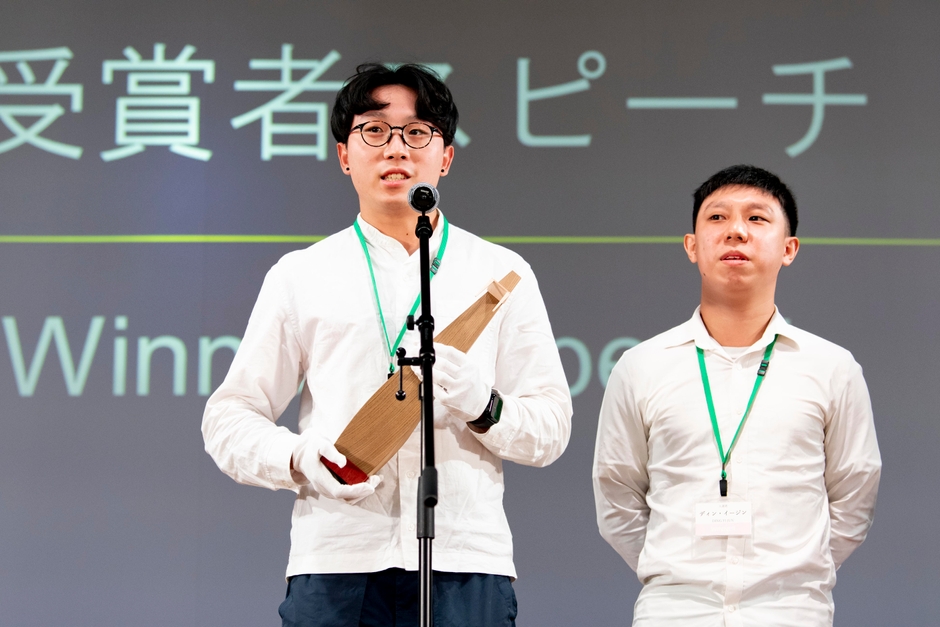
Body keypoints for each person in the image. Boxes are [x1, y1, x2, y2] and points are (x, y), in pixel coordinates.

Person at [202, 63, 572, 627]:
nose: (396, 147)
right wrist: (297, 457)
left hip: (464, 561)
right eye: (374, 130)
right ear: (344, 155)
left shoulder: (501, 272)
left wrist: (484, 405)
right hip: (337, 559)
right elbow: (229, 417)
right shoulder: (301, 274)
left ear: (446, 156)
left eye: (417, 131)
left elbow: (551, 427)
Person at [593, 164, 881, 626]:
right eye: (717, 217)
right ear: (692, 246)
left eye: (757, 218)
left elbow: (855, 493)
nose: (736, 231)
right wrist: (678, 572)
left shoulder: (831, 367)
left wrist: (794, 571)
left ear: (789, 249)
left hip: (791, 612)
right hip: (674, 613)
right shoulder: (641, 366)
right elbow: (617, 494)